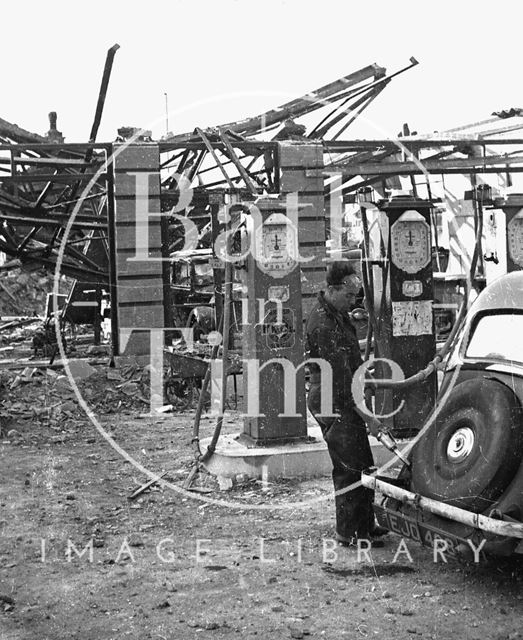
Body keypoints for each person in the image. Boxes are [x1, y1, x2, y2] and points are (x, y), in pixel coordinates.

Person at [306, 261, 387, 546]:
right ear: (333, 289)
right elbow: (341, 382)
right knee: (350, 466)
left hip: (340, 393)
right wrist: (369, 417)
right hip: (331, 398)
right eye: (349, 295)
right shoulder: (323, 324)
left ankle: (364, 524)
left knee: (362, 461)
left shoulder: (337, 312)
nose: (354, 301)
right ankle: (350, 533)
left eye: (357, 296)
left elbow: (351, 357)